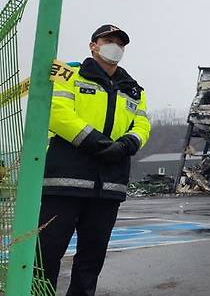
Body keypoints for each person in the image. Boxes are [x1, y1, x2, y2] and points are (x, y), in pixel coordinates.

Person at [38, 24, 151, 295]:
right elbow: (57, 112)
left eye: (120, 43)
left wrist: (125, 145)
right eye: (108, 40)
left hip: (109, 186)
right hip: (65, 181)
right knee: (46, 254)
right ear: (93, 45)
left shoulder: (135, 89)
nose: (115, 47)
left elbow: (142, 125)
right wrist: (97, 143)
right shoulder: (70, 74)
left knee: (92, 258)